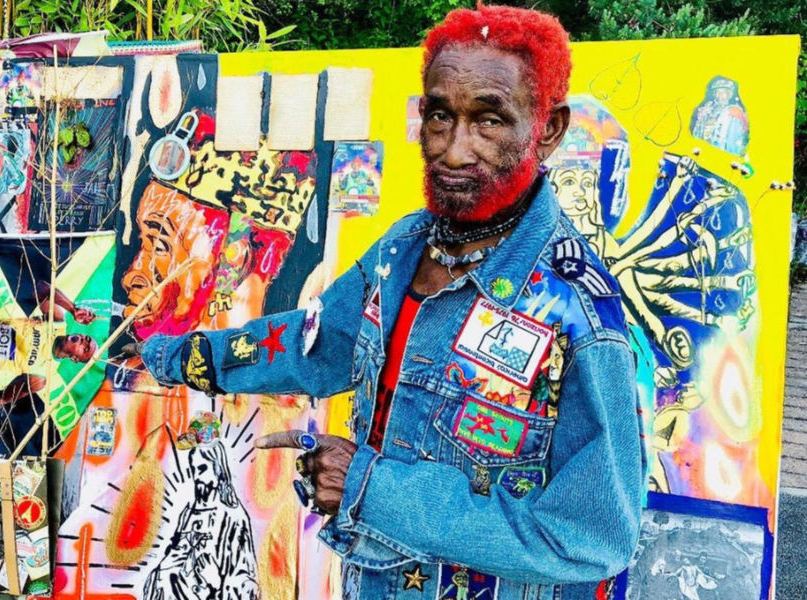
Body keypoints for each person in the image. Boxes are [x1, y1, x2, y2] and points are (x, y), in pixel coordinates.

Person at [139, 5, 645, 599]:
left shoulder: (578, 313)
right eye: (440, 116)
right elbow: (318, 344)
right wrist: (175, 355)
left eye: (488, 121)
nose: (453, 151)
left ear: (549, 129)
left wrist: (368, 487)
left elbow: (591, 537)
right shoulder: (404, 248)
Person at [0, 281, 97, 405]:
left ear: (74, 359)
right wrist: (72, 308)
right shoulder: (57, 322)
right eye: (86, 338)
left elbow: (3, 397)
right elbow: (40, 288)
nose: (84, 340)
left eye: (85, 348)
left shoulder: (41, 375)